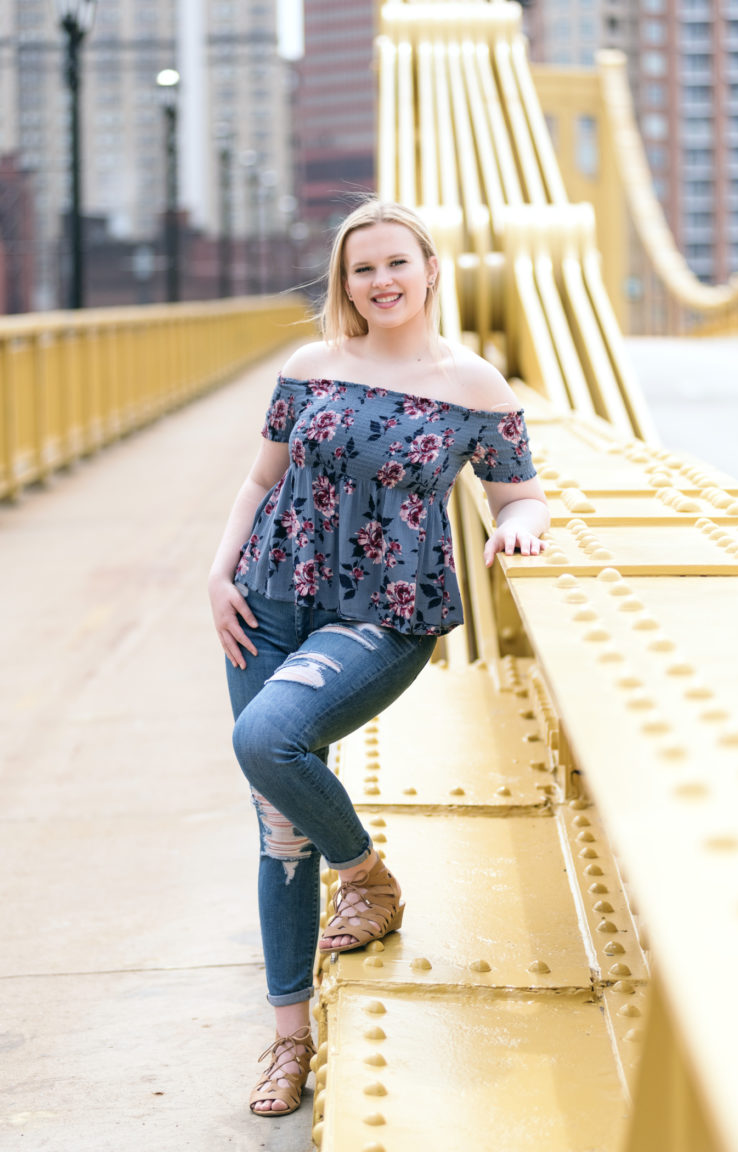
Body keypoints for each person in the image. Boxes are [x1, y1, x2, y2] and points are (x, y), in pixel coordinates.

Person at [208, 199, 550, 1117]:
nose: (381, 281)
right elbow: (263, 477)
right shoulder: (311, 366)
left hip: (382, 616)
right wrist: (218, 569)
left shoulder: (475, 385)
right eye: (363, 269)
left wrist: (519, 528)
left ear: (431, 269)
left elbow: (521, 495)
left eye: (397, 262)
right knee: (277, 831)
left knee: (269, 741)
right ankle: (289, 1043)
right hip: (266, 599)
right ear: (345, 281)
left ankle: (363, 876)